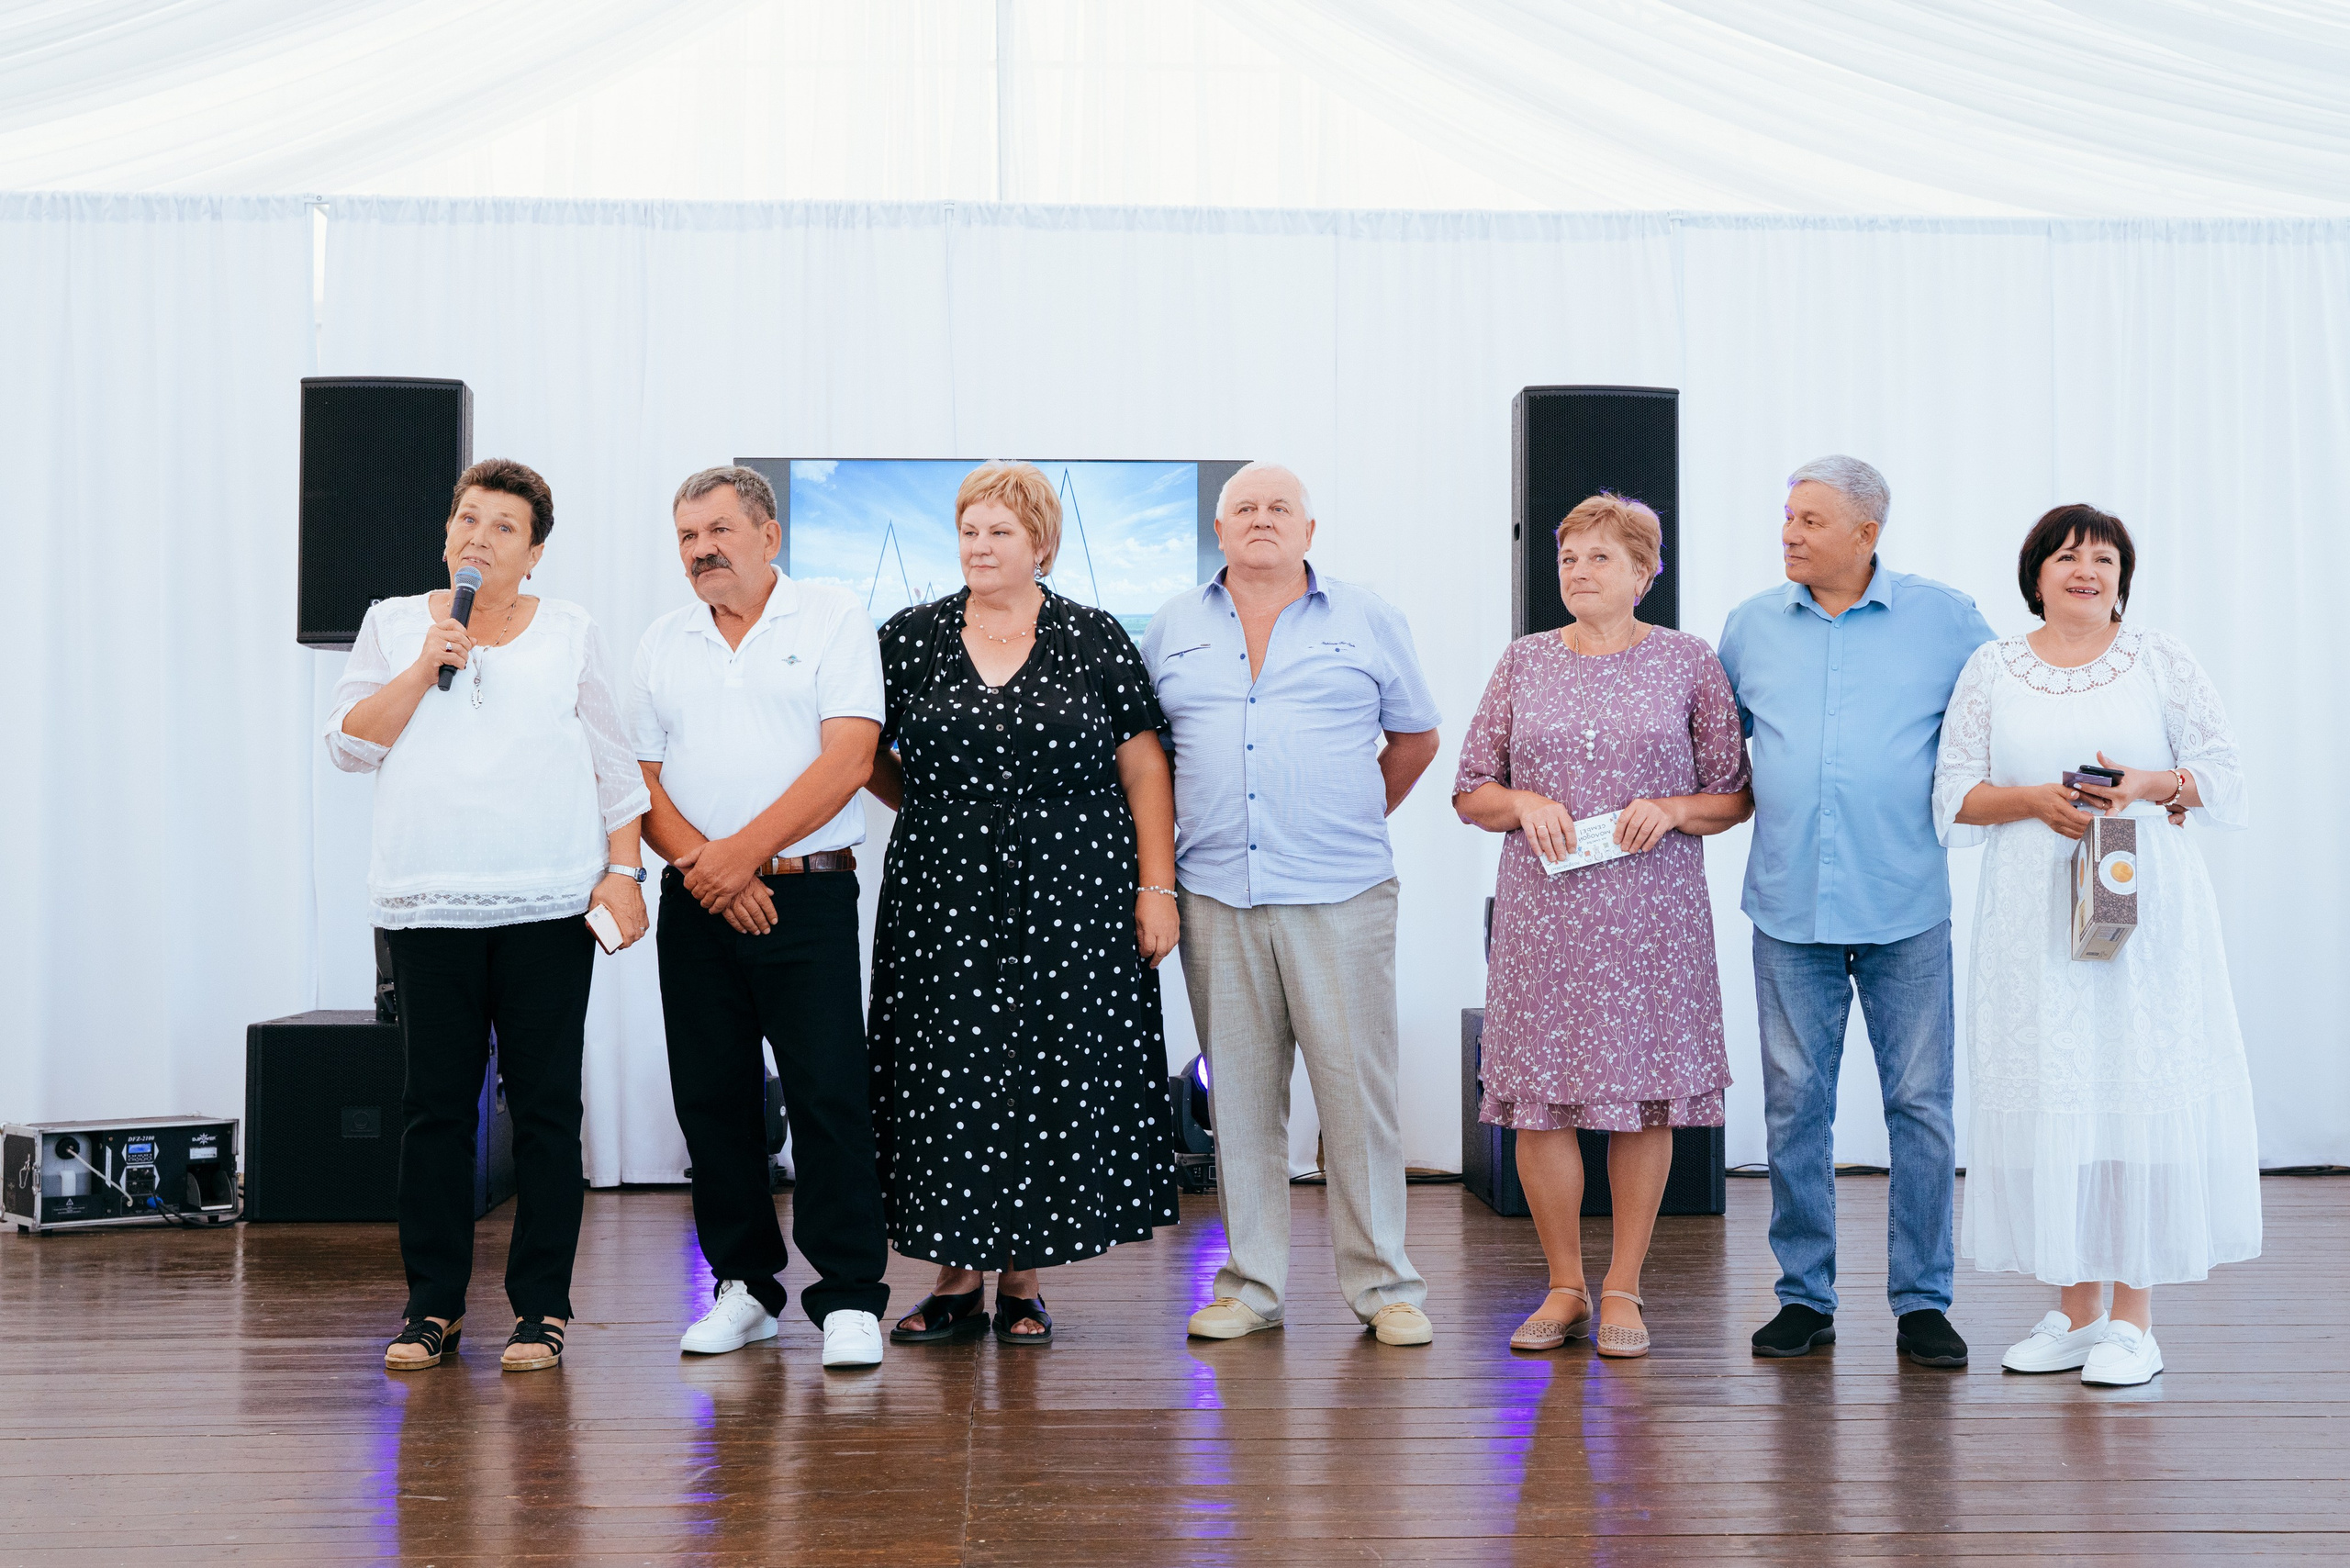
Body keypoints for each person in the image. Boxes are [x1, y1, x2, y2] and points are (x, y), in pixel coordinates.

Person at [328, 458, 651, 1374]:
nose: (479, 536)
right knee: (435, 1111)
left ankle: (539, 1310)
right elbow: (352, 745)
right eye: (467, 519)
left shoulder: (571, 631)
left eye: (503, 526)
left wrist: (624, 870)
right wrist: (424, 662)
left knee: (547, 1111)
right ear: (447, 535)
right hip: (429, 902)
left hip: (549, 902)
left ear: (534, 551)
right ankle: (432, 1308)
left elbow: (615, 767)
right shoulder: (395, 624)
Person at [1934, 505, 2255, 1387]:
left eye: (2104, 558)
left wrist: (2154, 782)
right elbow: (1954, 794)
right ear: (2035, 572)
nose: (2087, 569)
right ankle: (2076, 1313)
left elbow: (2223, 771)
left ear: (2124, 576)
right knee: (2055, 1091)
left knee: (2136, 1087)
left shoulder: (2159, 657)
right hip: (2029, 914)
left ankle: (2135, 1321)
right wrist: (2037, 800)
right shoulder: (1992, 667)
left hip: (2142, 905)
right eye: (2068, 555)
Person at [868, 461, 1180, 1347]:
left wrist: (1155, 889)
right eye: (969, 529)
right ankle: (954, 1279)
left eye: (1000, 530)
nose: (980, 544)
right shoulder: (912, 637)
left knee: (1044, 1073)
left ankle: (1024, 1282)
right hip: (942, 894)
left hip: (1074, 892)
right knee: (946, 1077)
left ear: (1040, 543)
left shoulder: (1093, 637)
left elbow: (1144, 766)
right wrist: (942, 814)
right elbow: (868, 754)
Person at [1142, 461, 1443, 1348]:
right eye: (1245, 508)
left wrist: (1340, 813)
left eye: (1281, 508)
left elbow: (1416, 740)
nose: (1262, 519)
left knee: (1357, 1094)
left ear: (1309, 531)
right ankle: (1250, 1285)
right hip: (1214, 894)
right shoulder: (1171, 626)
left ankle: (1386, 1286)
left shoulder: (1368, 617)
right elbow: (1148, 754)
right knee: (1237, 1097)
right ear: (1221, 531)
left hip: (1341, 890)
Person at [1453, 493, 1752, 1359]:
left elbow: (1732, 793)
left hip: (1651, 917)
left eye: (1599, 559)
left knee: (1640, 1102)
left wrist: (1671, 806)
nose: (1579, 573)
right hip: (1544, 918)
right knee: (1541, 1106)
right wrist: (1524, 801)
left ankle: (1622, 1286)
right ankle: (1563, 1286)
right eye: (1569, 558)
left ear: (1645, 573)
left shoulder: (1690, 662)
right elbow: (1472, 787)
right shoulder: (1523, 662)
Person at [1718, 455, 1994, 1368]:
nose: (1788, 533)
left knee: (1920, 1107)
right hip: (1787, 906)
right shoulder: (1750, 627)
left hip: (1904, 905)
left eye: (1808, 520)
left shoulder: (1947, 620)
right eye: (1786, 516)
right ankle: (1804, 1297)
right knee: (1796, 1108)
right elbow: (1710, 753)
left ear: (1866, 534)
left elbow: (2007, 718)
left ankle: (1922, 1303)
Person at [631, 465, 893, 1370]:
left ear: (768, 535)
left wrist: (737, 855)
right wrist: (711, 869)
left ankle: (850, 1294)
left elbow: (849, 758)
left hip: (809, 893)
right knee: (714, 1098)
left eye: (718, 531)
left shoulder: (831, 616)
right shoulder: (662, 639)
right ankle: (744, 1287)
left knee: (827, 1093)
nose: (701, 550)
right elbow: (640, 777)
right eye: (686, 538)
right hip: (697, 899)